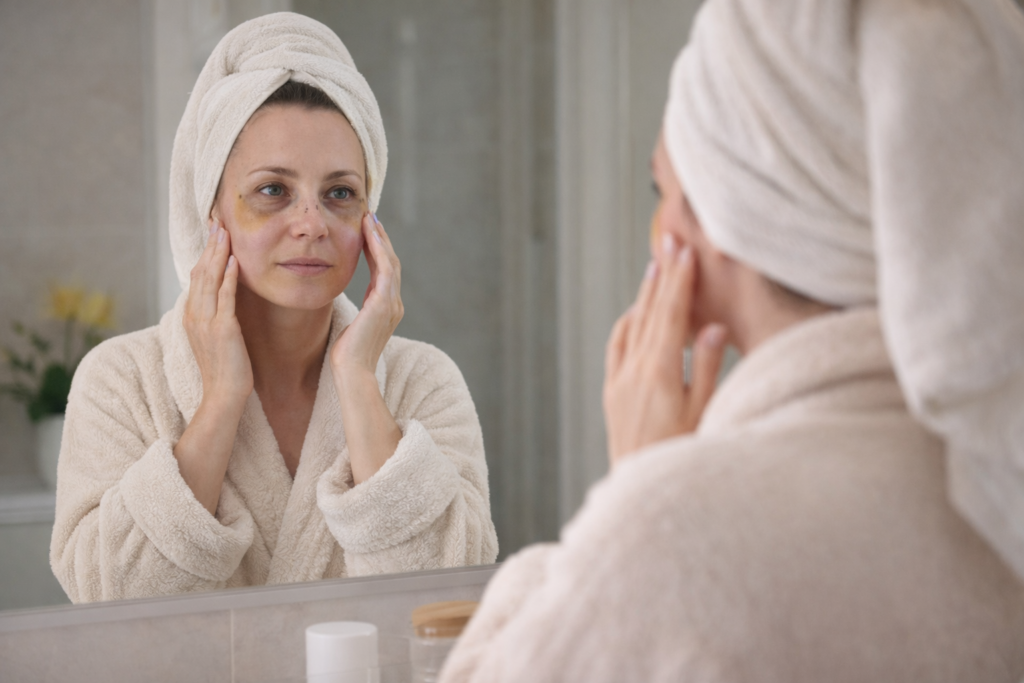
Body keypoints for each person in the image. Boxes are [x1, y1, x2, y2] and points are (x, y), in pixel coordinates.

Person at [440, 0, 1024, 680]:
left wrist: (637, 484)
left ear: (724, 225)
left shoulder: (673, 539)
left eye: (664, 186)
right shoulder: (1000, 468)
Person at [50, 13, 497, 603]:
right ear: (214, 215)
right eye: (272, 191)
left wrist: (360, 381)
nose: (312, 224)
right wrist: (219, 402)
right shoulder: (122, 382)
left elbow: (452, 589)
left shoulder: (423, 382)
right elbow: (105, 599)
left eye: (340, 193)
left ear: (369, 218)